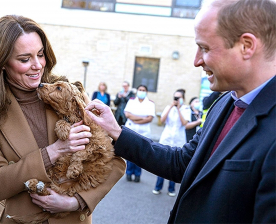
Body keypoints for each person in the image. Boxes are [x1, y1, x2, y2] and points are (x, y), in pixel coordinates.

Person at [85, 0, 276, 223]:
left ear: (246, 46)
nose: (196, 61)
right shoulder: (224, 104)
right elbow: (183, 163)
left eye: (204, 48)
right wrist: (116, 131)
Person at [0, 15, 125, 224]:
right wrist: (54, 152)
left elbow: (115, 161)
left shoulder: (71, 96)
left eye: (41, 54)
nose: (38, 65)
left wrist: (76, 201)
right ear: (2, 63)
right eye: (25, 59)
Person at [152, 89, 190, 197]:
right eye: (175, 98)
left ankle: (171, 188)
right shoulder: (168, 108)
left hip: (178, 139)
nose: (176, 100)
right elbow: (162, 120)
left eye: (179, 98)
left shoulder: (186, 109)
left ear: (183, 98)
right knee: (162, 163)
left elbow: (184, 123)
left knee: (175, 164)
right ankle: (158, 186)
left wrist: (178, 109)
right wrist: (170, 107)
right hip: (166, 138)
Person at [123, 85, 155, 182]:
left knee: (140, 154)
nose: (141, 91)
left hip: (143, 132)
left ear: (146, 92)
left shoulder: (150, 103)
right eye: (140, 90)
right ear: (137, 91)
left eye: (143, 90)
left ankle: (137, 174)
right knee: (130, 153)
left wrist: (135, 119)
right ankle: (128, 173)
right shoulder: (132, 101)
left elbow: (150, 118)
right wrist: (142, 118)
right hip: (131, 130)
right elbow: (127, 114)